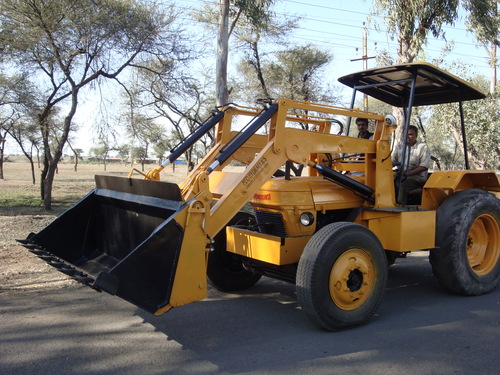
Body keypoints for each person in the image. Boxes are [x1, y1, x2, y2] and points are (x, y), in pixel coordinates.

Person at [393, 125, 431, 204]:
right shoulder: (399, 146)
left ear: (416, 135)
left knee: (403, 185)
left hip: (416, 178)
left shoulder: (423, 147)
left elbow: (424, 166)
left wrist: (407, 173)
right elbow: (391, 161)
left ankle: (400, 207)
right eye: (405, 134)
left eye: (410, 134)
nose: (407, 137)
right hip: (400, 176)